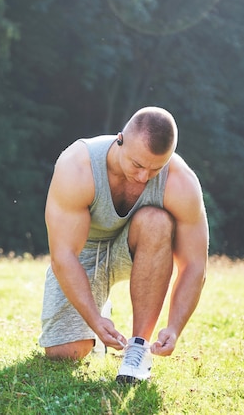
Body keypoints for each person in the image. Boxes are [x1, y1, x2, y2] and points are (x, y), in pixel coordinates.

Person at [39, 106, 208, 384]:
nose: (144, 177)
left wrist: (175, 327)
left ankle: (138, 349)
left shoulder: (182, 182)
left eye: (156, 168)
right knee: (65, 354)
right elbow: (63, 256)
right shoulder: (77, 166)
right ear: (120, 140)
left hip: (142, 247)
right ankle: (98, 322)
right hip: (85, 250)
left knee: (157, 221)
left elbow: (194, 264)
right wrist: (94, 319)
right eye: (137, 165)